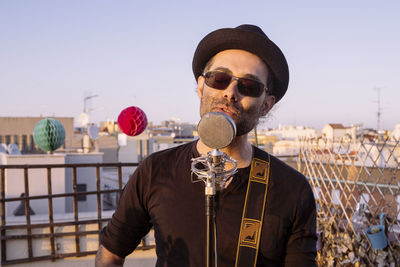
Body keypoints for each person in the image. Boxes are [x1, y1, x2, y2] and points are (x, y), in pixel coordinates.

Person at [96, 24, 317, 267]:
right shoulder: (155, 170)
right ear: (201, 86)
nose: (230, 93)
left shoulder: (292, 189)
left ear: (266, 104)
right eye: (219, 79)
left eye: (249, 86)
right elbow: (111, 253)